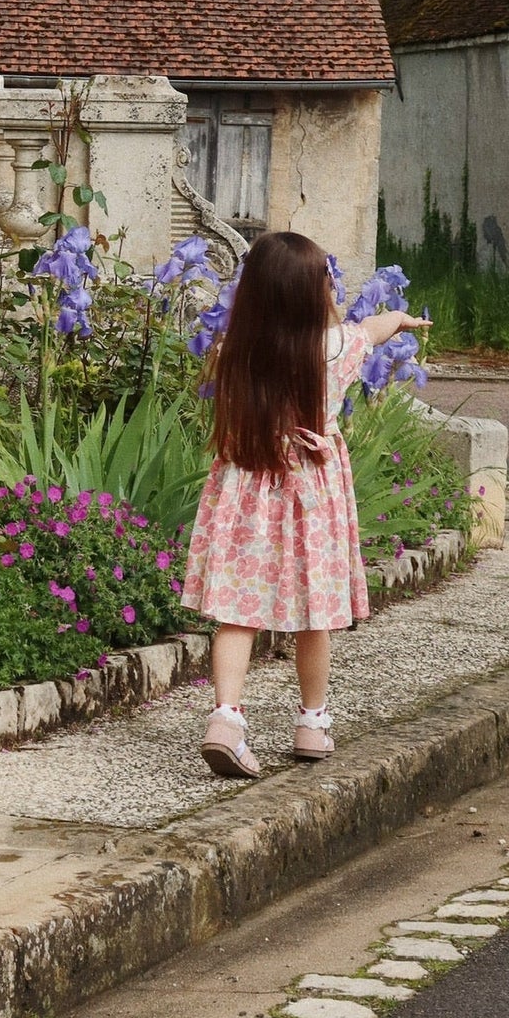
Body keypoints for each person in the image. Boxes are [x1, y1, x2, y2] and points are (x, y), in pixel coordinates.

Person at [183, 231, 429, 780]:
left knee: (237, 612)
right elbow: (372, 327)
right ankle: (312, 723)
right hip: (310, 496)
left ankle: (226, 718)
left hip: (245, 490)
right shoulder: (336, 347)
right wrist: (403, 320)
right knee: (315, 615)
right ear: (309, 292)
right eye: (326, 277)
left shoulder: (234, 351)